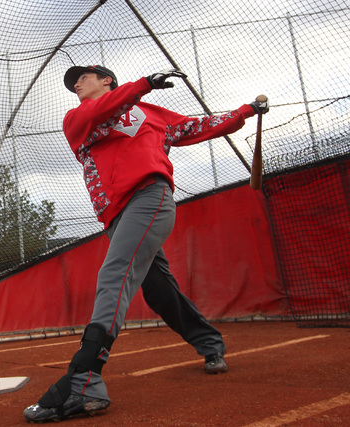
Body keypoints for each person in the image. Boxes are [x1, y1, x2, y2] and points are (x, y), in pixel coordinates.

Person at [23, 65, 269, 422]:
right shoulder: (77, 118)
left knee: (115, 273)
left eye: (84, 76)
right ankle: (210, 344)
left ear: (107, 79)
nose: (76, 83)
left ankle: (84, 382)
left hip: (149, 196)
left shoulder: (150, 112)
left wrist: (247, 111)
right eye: (73, 82)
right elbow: (104, 109)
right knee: (157, 290)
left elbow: (196, 127)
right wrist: (143, 85)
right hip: (115, 215)